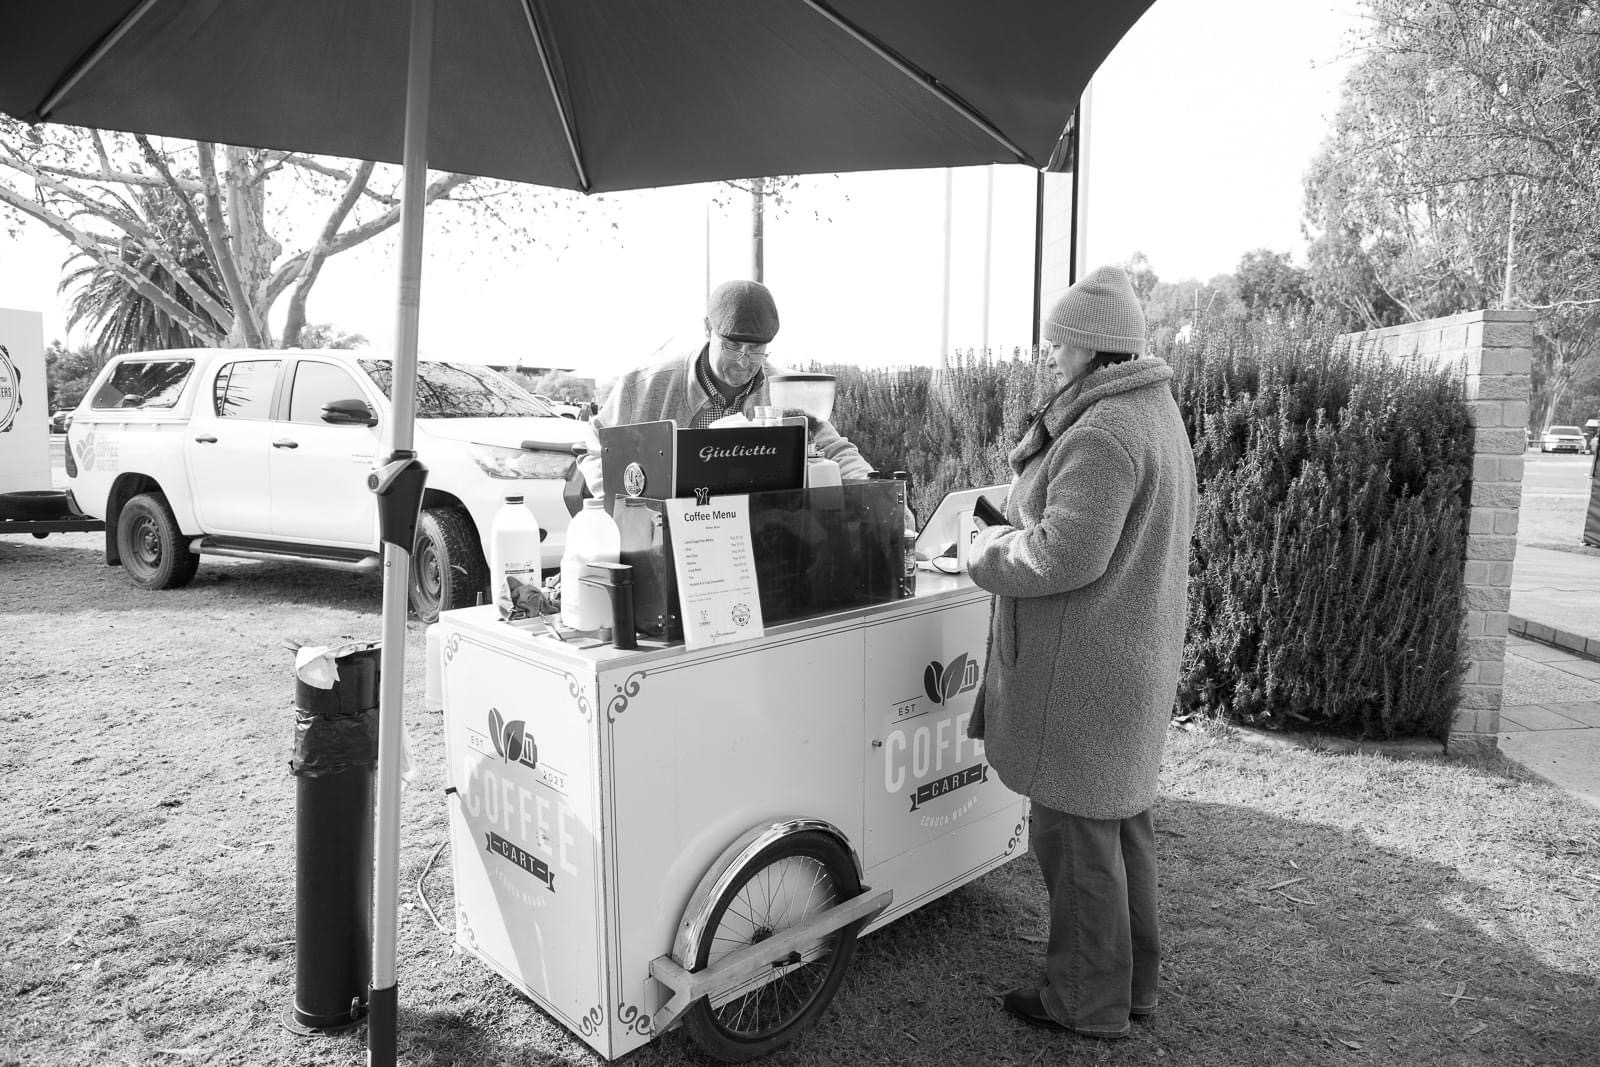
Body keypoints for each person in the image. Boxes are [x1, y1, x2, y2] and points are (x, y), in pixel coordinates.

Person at [964, 264, 1198, 1039]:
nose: (1052, 357)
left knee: (1072, 839)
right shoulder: (1152, 410)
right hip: (1126, 657)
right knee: (1119, 829)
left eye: (1060, 344)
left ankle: (1083, 1001)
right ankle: (1131, 988)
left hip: (1086, 671)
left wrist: (985, 547)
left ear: (1094, 349)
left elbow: (1064, 555)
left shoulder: (1102, 429)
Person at [579, 280, 874, 494]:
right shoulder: (642, 386)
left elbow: (835, 451)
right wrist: (626, 506)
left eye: (757, 349)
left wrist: (882, 497)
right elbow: (596, 448)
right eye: (732, 346)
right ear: (708, 329)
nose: (744, 361)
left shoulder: (785, 391)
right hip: (667, 535)